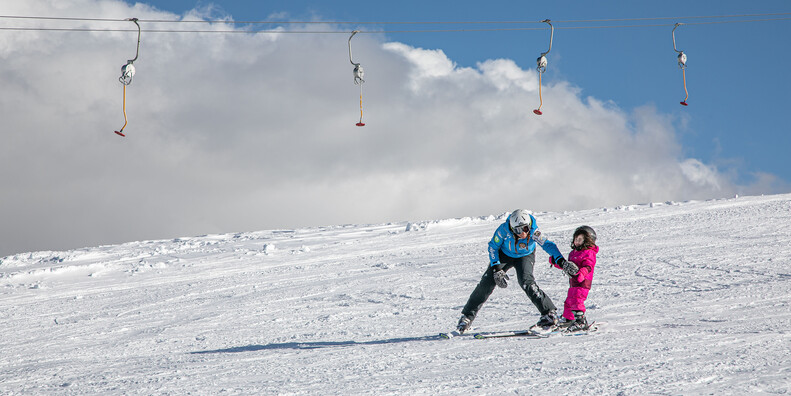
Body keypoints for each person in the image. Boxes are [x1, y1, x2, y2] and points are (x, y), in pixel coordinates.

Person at [455, 209, 575, 334]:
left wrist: (562, 261)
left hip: (525, 255)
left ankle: (549, 313)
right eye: (518, 230)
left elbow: (548, 245)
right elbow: (493, 246)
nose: (523, 233)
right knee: (487, 281)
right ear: (512, 229)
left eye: (525, 228)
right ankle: (467, 317)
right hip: (504, 255)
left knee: (526, 281)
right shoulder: (503, 230)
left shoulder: (534, 232)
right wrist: (496, 268)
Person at [550, 225, 599, 332]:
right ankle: (569, 319)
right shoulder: (573, 253)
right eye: (575, 239)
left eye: (580, 239)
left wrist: (582, 273)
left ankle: (581, 321)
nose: (576, 242)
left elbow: (589, 265)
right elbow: (568, 267)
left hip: (583, 282)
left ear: (588, 241)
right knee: (569, 301)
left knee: (576, 300)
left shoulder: (589, 252)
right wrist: (556, 262)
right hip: (573, 283)